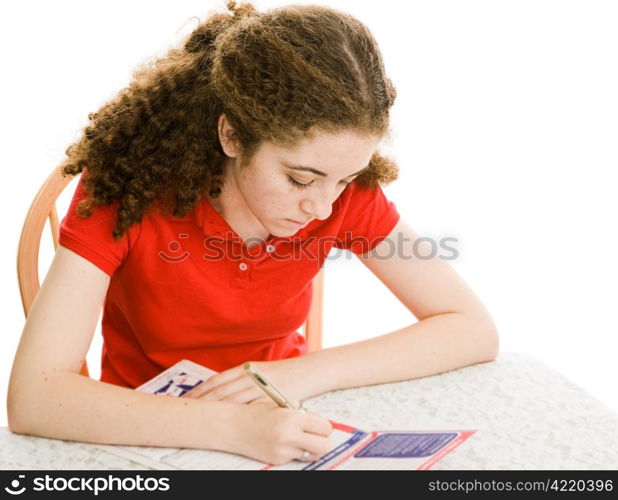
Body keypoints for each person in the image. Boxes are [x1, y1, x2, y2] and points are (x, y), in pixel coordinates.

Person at [8, 0, 499, 466]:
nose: (322, 206)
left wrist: (299, 372)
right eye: (299, 178)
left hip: (280, 414)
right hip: (148, 429)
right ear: (232, 136)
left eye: (345, 178)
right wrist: (232, 428)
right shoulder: (127, 190)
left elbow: (471, 327)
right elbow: (34, 397)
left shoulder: (342, 198)